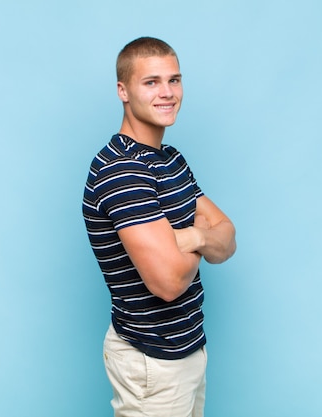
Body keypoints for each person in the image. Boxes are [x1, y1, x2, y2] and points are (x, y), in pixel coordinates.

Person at [82, 36, 236, 417]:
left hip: (188, 350)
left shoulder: (171, 160)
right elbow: (167, 283)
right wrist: (202, 235)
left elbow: (228, 236)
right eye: (151, 82)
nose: (167, 92)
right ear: (123, 90)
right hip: (152, 361)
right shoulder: (121, 170)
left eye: (174, 80)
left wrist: (192, 236)